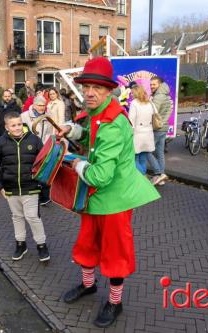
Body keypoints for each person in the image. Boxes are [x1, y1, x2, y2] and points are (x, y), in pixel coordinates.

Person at [57, 57, 160, 328]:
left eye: (97, 88)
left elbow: (100, 175)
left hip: (114, 198)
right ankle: (89, 285)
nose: (90, 92)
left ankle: (115, 301)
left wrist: (74, 162)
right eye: (86, 86)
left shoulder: (113, 123)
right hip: (95, 196)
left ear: (108, 90)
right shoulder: (97, 112)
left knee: (115, 253)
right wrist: (71, 129)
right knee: (87, 243)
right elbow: (89, 132)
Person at [0, 112, 50, 262]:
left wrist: (42, 183)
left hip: (31, 186)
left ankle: (42, 245)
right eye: (13, 125)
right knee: (17, 217)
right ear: (7, 127)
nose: (17, 128)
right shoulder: (0, 143)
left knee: (32, 217)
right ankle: (21, 244)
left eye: (19, 124)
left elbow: (43, 162)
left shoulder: (34, 140)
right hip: (10, 187)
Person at [21, 95, 55, 206]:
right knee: (32, 172)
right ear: (34, 105)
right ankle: (33, 196)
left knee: (44, 172)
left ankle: (44, 197)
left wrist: (47, 145)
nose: (42, 107)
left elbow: (50, 132)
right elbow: (23, 133)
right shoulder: (25, 116)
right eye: (39, 105)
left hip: (44, 148)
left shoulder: (48, 115)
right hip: (30, 148)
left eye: (44, 105)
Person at [147, 76, 172, 186]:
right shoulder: (165, 95)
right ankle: (160, 177)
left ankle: (158, 173)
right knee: (159, 153)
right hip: (163, 127)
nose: (152, 86)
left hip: (157, 128)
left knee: (146, 151)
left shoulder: (159, 96)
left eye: (154, 84)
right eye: (151, 84)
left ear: (160, 85)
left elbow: (152, 112)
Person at [128, 85, 156, 175]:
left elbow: (131, 121)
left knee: (133, 159)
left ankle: (143, 177)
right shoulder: (150, 103)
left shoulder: (134, 103)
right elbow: (156, 114)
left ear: (136, 92)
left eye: (132, 93)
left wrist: (128, 134)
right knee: (143, 159)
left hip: (137, 135)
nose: (131, 95)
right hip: (148, 133)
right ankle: (142, 179)